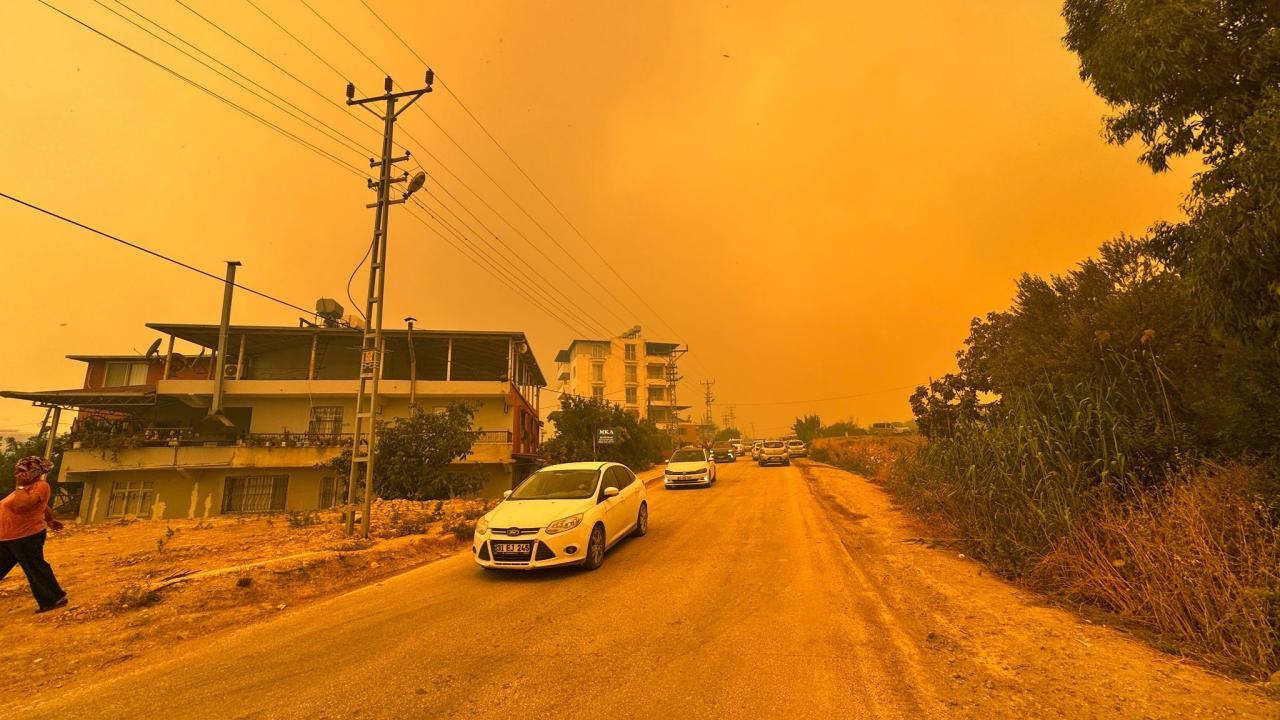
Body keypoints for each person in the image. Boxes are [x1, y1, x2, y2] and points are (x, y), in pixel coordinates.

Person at [1, 456, 67, 613]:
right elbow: (44, 507)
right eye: (17, 470)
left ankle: (54, 599)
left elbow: (22, 506)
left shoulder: (40, 486)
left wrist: (20, 487)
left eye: (22, 470)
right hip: (7, 537)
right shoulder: (26, 488)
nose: (17, 473)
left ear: (34, 472)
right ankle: (53, 598)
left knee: (34, 568)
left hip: (25, 536)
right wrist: (51, 520)